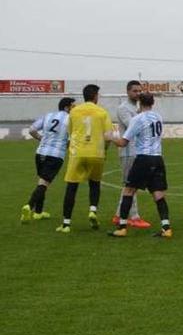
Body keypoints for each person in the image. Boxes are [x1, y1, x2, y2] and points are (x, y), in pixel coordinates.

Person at [108, 93, 172, 238]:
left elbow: (123, 142)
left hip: (144, 158)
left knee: (128, 190)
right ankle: (166, 228)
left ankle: (122, 227)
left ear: (139, 103)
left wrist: (111, 137)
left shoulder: (137, 119)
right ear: (153, 103)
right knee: (159, 194)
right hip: (158, 158)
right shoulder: (158, 117)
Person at [56, 84, 115, 233]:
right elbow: (109, 136)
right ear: (95, 96)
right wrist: (105, 150)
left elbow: (70, 133)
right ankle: (93, 210)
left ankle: (66, 224)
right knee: (94, 183)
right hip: (96, 153)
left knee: (71, 187)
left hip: (78, 153)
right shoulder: (102, 112)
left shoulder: (74, 111)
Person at [21, 97, 75, 223]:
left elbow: (32, 130)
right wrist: (64, 146)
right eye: (73, 106)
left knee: (42, 182)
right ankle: (29, 205)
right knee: (44, 184)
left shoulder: (48, 115)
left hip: (40, 153)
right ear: (67, 107)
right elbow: (72, 139)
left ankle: (38, 213)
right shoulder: (70, 119)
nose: (75, 108)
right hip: (55, 155)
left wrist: (41, 138)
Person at [111, 80, 151, 229]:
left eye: (140, 91)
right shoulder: (123, 108)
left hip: (137, 151)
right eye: (135, 91)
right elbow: (135, 126)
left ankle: (118, 215)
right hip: (128, 151)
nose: (138, 93)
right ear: (128, 92)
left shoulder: (137, 108)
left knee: (130, 185)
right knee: (130, 185)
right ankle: (134, 216)